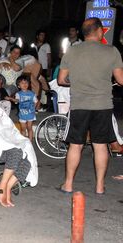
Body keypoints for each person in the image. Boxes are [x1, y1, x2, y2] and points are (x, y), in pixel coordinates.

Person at [57, 17, 123, 195]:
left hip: (79, 105)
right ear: (100, 31)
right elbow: (121, 80)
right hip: (102, 105)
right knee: (100, 145)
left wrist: (77, 80)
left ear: (83, 33)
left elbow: (61, 80)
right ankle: (100, 186)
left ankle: (68, 184)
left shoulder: (72, 51)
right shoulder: (112, 51)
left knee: (75, 145)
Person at [7, 76, 38, 141]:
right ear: (18, 86)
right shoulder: (18, 94)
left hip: (30, 114)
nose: (24, 84)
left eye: (26, 82)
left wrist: (33, 109)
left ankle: (30, 142)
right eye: (22, 83)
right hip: (22, 114)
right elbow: (17, 100)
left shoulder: (32, 93)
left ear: (28, 84)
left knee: (29, 128)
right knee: (23, 129)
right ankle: (23, 142)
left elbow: (36, 101)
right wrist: (11, 99)